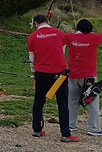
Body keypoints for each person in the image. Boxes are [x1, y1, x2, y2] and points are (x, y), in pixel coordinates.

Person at [27, 14, 77, 142]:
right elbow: (62, 51)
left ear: (36, 23)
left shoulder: (32, 37)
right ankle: (65, 134)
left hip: (41, 73)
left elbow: (31, 58)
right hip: (59, 73)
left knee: (39, 101)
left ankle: (37, 129)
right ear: (47, 20)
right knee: (62, 103)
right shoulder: (59, 33)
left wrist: (34, 72)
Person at [64, 19, 102, 136]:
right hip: (89, 76)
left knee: (72, 100)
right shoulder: (94, 37)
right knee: (92, 101)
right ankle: (93, 128)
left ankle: (70, 124)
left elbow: (60, 38)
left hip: (73, 74)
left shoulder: (70, 37)